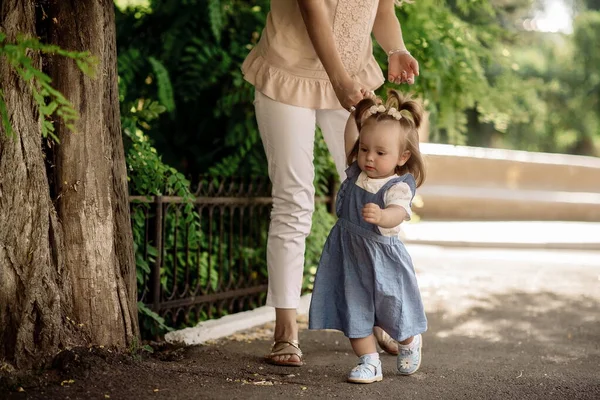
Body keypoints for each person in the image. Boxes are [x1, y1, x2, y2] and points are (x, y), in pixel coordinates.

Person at [241, 0, 420, 366]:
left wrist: (396, 49)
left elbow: (383, 10)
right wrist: (338, 80)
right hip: (289, 72)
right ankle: (285, 331)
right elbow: (312, 9)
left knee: (379, 195)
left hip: (353, 78)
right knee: (294, 199)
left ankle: (382, 315)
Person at [308, 89, 428, 383]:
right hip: (348, 254)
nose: (369, 157)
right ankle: (369, 361)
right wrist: (356, 113)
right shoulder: (355, 173)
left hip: (382, 258)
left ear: (403, 157)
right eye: (364, 149)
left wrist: (382, 216)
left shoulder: (397, 186)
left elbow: (399, 213)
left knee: (393, 309)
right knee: (354, 309)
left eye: (380, 152)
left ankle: (410, 341)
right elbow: (350, 135)